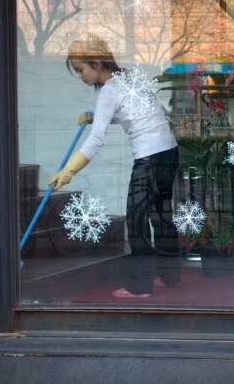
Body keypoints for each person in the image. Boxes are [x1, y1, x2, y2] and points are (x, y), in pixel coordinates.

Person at [47, 34, 180, 298]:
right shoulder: (128, 78)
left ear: (96, 62)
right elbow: (137, 114)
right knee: (161, 216)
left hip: (149, 159)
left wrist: (69, 170)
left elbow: (96, 140)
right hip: (169, 152)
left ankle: (141, 285)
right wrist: (98, 117)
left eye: (80, 69)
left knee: (137, 220)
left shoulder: (109, 90)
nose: (80, 76)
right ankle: (171, 275)